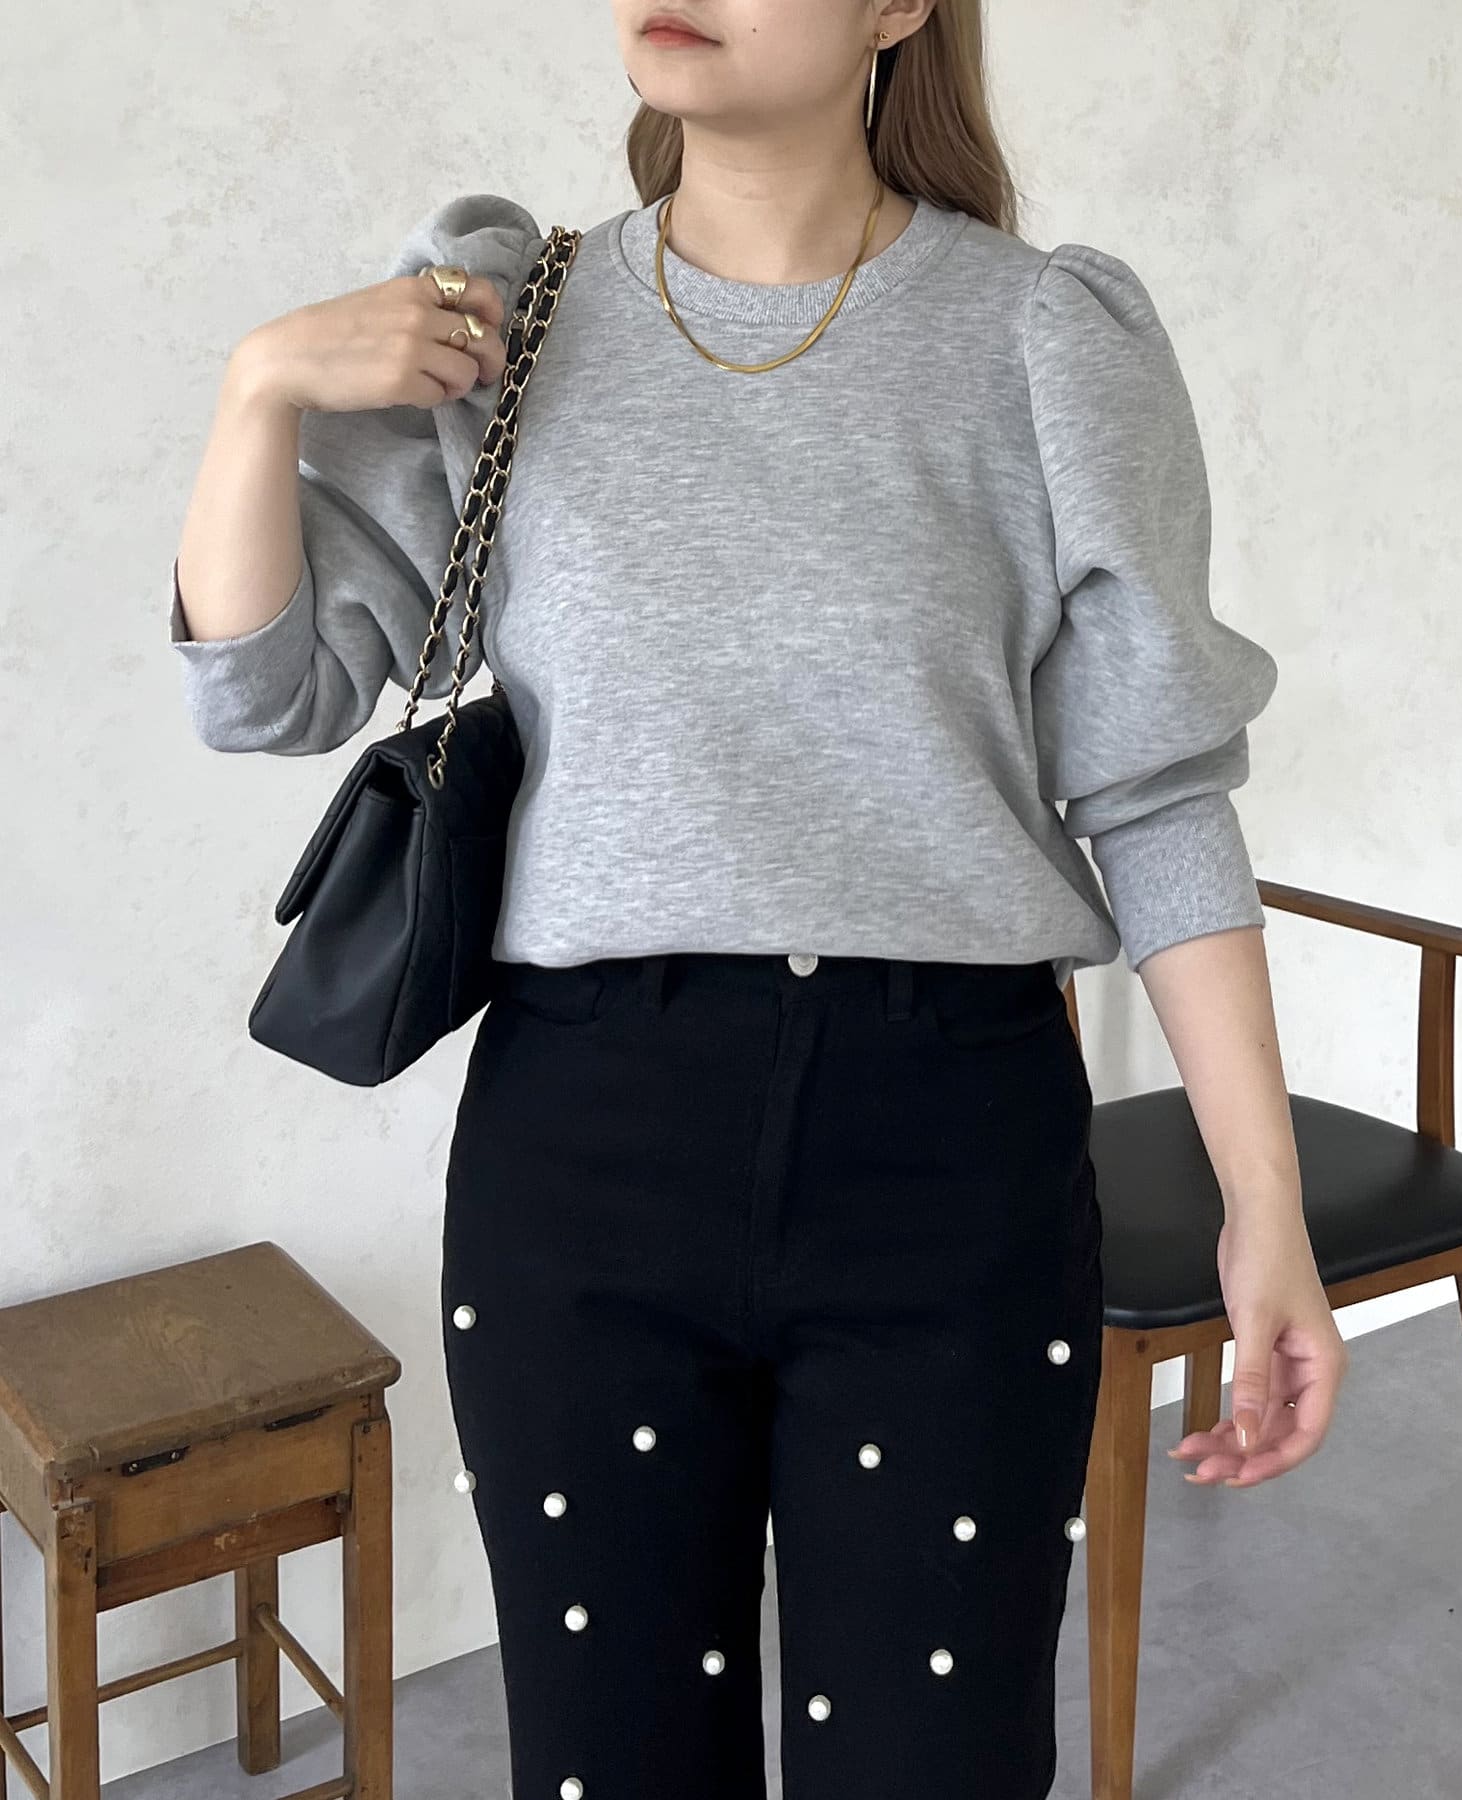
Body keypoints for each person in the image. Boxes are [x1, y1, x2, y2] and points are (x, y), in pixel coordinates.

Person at [167, 2, 1349, 1795]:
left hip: (949, 1154)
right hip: (585, 1154)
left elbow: (1157, 793)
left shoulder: (1043, 337)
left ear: (898, 8)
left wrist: (1266, 1204)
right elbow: (264, 695)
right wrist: (260, 387)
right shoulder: (505, 318)